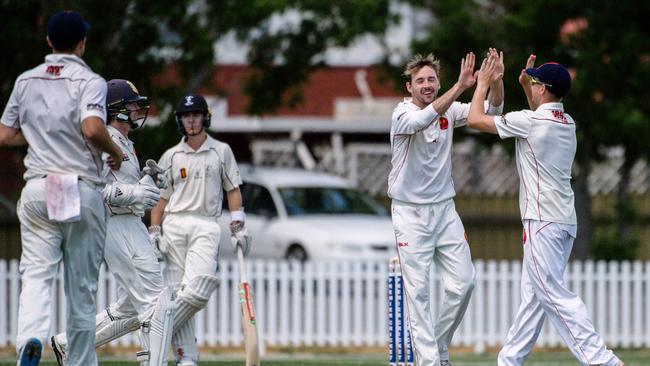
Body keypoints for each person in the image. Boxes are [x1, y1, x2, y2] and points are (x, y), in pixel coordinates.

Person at [467, 53, 624, 366]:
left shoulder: (531, 121)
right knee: (534, 298)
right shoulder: (567, 122)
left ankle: (602, 360)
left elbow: (474, 120)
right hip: (562, 221)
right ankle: (508, 360)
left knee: (551, 293)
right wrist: (528, 86)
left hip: (542, 221)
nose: (533, 84)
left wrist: (483, 84)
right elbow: (539, 114)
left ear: (543, 89)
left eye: (536, 81)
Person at [0, 11, 124, 366]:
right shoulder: (90, 80)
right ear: (82, 43)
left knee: (36, 272)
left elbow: (5, 134)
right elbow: (91, 129)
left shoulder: (25, 81)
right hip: (76, 185)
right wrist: (114, 152)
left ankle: (31, 338)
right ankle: (81, 362)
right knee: (80, 287)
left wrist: (40, 136)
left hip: (39, 186)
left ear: (49, 41)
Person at [388, 50, 504, 366]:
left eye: (431, 79)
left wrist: (494, 82)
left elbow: (492, 111)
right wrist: (460, 86)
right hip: (410, 214)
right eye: (420, 81)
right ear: (409, 87)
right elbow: (421, 120)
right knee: (419, 294)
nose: (427, 85)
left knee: (463, 283)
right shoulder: (401, 114)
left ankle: (438, 348)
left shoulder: (450, 111)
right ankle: (429, 362)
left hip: (444, 211)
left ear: (438, 83)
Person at [50, 79, 174, 366]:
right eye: (131, 104)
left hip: (130, 225)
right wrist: (137, 192)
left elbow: (127, 188)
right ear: (115, 109)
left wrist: (149, 180)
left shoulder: (124, 142)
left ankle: (68, 345)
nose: (136, 109)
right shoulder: (103, 139)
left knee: (130, 310)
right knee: (157, 304)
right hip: (115, 226)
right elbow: (98, 190)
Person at [149, 92, 251, 366]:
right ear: (180, 120)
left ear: (205, 117)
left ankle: (154, 333)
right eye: (185, 116)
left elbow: (233, 189)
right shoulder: (171, 155)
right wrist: (154, 230)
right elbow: (161, 198)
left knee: (197, 288)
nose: (190, 121)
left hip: (206, 223)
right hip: (174, 224)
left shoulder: (221, 151)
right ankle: (186, 356)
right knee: (176, 290)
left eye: (194, 115)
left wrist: (238, 224)